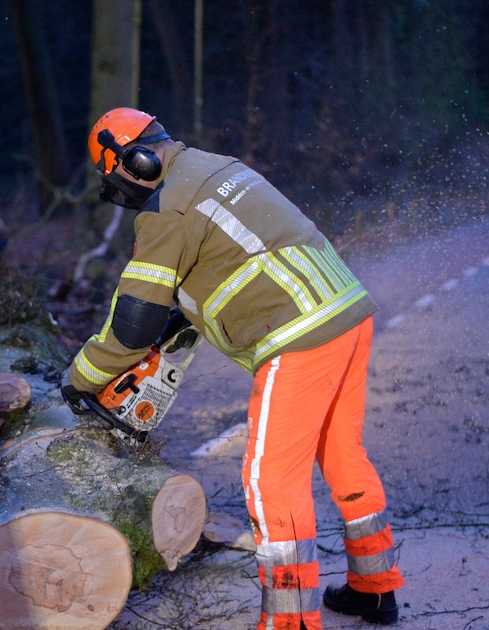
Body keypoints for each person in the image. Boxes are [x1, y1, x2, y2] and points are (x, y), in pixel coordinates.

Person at [61, 107, 404, 628]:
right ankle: (375, 588)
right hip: (346, 310)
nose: (122, 192)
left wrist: (80, 377)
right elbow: (232, 254)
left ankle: (290, 621)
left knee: (270, 479)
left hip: (297, 335)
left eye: (117, 179)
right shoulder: (214, 166)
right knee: (341, 453)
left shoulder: (165, 207)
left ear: (134, 160)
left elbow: (131, 326)